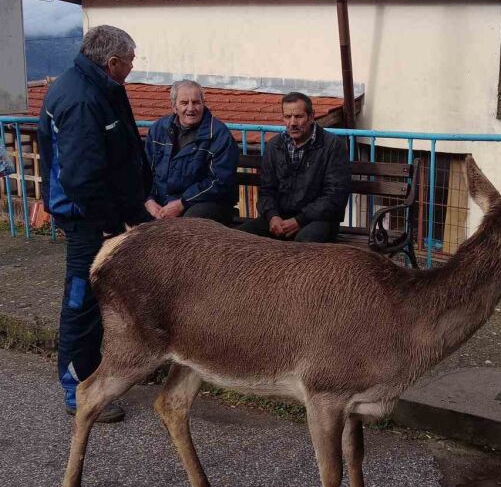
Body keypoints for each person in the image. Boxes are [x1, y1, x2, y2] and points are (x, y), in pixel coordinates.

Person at [37, 25, 152, 423]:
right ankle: (78, 388)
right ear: (113, 61)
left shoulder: (103, 86)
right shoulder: (81, 99)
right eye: (132, 60)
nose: (134, 67)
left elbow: (122, 149)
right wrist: (107, 225)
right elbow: (81, 177)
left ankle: (110, 369)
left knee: (113, 292)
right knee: (83, 299)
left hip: (113, 210)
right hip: (89, 219)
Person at [238, 92, 351, 242]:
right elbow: (267, 190)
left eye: (298, 116)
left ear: (311, 117)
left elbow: (334, 196)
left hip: (318, 220)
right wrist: (273, 217)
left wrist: (299, 220)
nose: (292, 123)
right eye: (287, 117)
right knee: (238, 238)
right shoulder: (274, 146)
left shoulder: (332, 146)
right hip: (280, 219)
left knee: (302, 244)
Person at [144, 80, 239, 225]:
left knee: (189, 223)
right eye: (184, 103)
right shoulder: (158, 130)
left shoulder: (219, 134)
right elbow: (144, 171)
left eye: (196, 102)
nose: (191, 108)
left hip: (205, 204)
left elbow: (220, 182)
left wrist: (182, 203)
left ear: (203, 103)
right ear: (174, 106)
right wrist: (149, 200)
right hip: (161, 203)